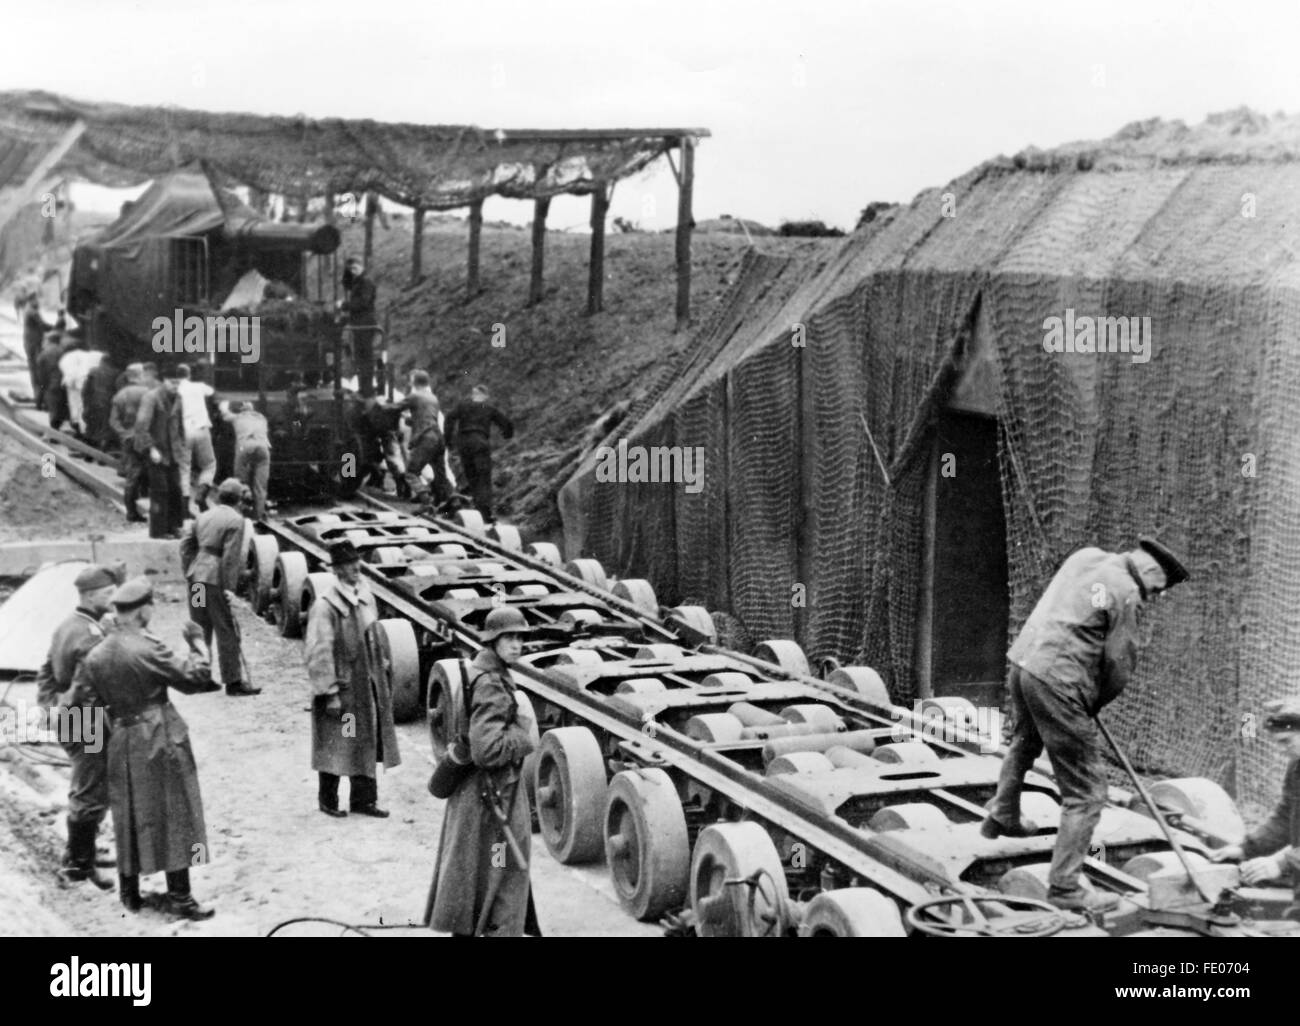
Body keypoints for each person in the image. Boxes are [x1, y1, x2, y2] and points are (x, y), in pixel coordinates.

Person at [982, 536, 1191, 913]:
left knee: (1026, 741)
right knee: (1088, 792)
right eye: (1159, 589)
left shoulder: (1088, 557)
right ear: (1151, 570)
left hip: (1024, 664)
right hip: (1058, 681)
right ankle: (1065, 888)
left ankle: (1003, 811)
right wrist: (1089, 703)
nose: (1155, 597)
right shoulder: (1127, 593)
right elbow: (1118, 665)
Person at [67, 577, 221, 919]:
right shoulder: (148, 648)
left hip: (121, 739)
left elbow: (82, 706)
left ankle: (130, 894)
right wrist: (198, 645)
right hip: (159, 736)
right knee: (176, 812)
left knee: (128, 814)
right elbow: (194, 679)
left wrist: (91, 753)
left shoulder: (96, 654)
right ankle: (181, 898)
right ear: (142, 611)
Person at [427, 605, 541, 937]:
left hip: (478, 797)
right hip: (491, 800)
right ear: (493, 641)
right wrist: (524, 737)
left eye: (521, 638)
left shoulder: (481, 670)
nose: (517, 645)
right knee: (498, 876)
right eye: (510, 638)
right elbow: (487, 750)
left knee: (481, 880)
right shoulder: (491, 682)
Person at [34, 564, 121, 890]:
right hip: (86, 721)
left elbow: (45, 669)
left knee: (90, 787)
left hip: (74, 718)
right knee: (90, 792)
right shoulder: (89, 635)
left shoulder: (68, 625)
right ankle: (78, 866)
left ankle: (83, 852)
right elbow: (87, 689)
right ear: (89, 595)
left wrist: (49, 707)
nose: (113, 600)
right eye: (107, 594)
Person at [304, 541, 400, 818]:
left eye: (356, 562)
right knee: (340, 739)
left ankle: (364, 801)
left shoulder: (365, 595)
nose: (355, 568)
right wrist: (330, 692)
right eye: (348, 564)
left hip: (365, 684)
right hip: (343, 687)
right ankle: (328, 800)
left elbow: (374, 634)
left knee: (364, 740)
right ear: (337, 569)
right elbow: (319, 651)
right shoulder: (326, 606)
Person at [1209, 698, 1300, 919]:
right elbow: (1285, 816)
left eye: (1286, 741)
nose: (1281, 750)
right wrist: (1246, 848)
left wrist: (1281, 862)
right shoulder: (1297, 766)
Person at [180, 478, 259, 697]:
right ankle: (233, 682)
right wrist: (230, 588)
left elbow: (186, 545)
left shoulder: (203, 516)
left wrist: (189, 569)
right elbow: (230, 558)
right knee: (226, 628)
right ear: (239, 500)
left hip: (196, 579)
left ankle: (200, 677)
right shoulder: (236, 520)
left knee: (199, 626)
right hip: (215, 581)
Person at [445, 385, 514, 522]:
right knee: (483, 477)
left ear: (473, 394)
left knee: (471, 476)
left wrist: (448, 440)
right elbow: (506, 423)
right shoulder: (488, 408)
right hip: (480, 443)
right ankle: (484, 513)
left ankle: (476, 509)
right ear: (486, 396)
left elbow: (449, 419)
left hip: (464, 444)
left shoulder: (462, 406)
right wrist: (507, 434)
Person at [134, 364, 187, 539]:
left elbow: (179, 425)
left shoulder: (178, 398)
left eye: (178, 383)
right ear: (164, 381)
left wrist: (182, 447)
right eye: (172, 382)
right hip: (156, 452)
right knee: (160, 491)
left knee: (176, 490)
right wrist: (151, 448)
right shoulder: (152, 397)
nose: (175, 386)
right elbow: (142, 425)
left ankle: (174, 526)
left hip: (172, 452)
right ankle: (158, 531)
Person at [396, 370, 453, 506]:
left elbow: (395, 407)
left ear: (414, 381)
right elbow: (425, 417)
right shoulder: (433, 397)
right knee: (440, 474)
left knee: (411, 472)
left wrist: (378, 406)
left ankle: (424, 497)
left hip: (426, 438)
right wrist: (410, 420)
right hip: (438, 438)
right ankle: (448, 502)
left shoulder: (415, 396)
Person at [110, 364, 150, 524]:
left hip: (130, 439)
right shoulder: (149, 394)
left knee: (132, 476)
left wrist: (125, 434)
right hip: (147, 439)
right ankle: (157, 514)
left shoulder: (120, 395)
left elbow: (113, 421)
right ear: (141, 375)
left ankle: (131, 513)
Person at [177, 363, 217, 514]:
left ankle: (183, 506)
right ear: (189, 375)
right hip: (201, 428)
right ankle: (201, 493)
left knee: (184, 467)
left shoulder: (176, 390)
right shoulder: (198, 386)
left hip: (185, 430)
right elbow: (211, 391)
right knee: (209, 464)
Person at [222, 400, 272, 520]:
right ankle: (258, 516)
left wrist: (223, 405)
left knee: (239, 482)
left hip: (245, 446)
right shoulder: (262, 418)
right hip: (263, 448)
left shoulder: (238, 417)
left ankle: (240, 514)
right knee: (260, 486)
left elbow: (225, 416)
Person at [339, 256, 378, 397]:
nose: (353, 272)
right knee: (361, 357)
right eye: (351, 269)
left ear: (362, 266)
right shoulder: (358, 281)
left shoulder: (366, 282)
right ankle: (364, 388)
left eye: (355, 268)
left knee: (365, 357)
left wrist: (344, 305)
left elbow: (363, 303)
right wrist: (346, 269)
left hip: (365, 323)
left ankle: (367, 389)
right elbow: (345, 283)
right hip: (359, 323)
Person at [82, 353, 120, 453]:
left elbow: (86, 389)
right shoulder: (116, 373)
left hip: (93, 402)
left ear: (101, 361)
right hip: (108, 403)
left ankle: (88, 454)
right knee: (105, 428)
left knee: (91, 427)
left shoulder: (93, 371)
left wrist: (85, 402)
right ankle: (102, 453)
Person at [35, 331, 67, 425]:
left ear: (49, 340)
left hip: (50, 385)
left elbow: (41, 373)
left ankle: (54, 435)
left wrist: (42, 388)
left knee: (53, 410)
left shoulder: (44, 353)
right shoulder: (63, 351)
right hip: (61, 383)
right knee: (59, 409)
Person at [21, 293, 49, 399]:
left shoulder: (28, 309)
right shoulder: (32, 312)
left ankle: (38, 397)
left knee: (35, 370)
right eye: (37, 300)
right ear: (32, 300)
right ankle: (39, 398)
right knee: (37, 370)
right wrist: (58, 327)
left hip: (30, 343)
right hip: (34, 344)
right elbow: (43, 325)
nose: (39, 302)